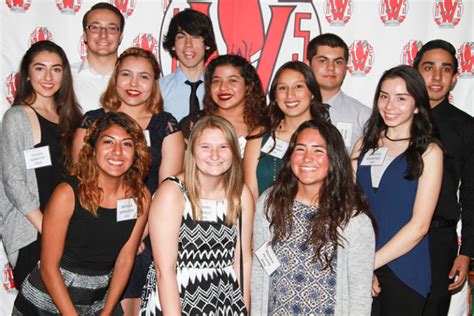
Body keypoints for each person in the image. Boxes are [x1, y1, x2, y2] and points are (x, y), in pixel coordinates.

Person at [73, 47, 184, 315]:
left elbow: (166, 191)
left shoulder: (166, 126)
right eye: (126, 75)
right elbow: (80, 182)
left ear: (155, 83)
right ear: (115, 79)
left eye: (143, 77)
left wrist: (136, 237)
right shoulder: (92, 121)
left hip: (146, 234)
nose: (134, 84)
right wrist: (107, 235)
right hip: (94, 232)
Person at [12, 112, 151, 315]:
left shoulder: (141, 197)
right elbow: (49, 268)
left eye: (127, 144)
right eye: (108, 142)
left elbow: (125, 259)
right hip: (48, 299)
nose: (117, 151)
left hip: (99, 299)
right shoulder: (67, 194)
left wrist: (107, 311)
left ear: (136, 152)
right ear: (93, 149)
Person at [252, 119, 375, 315]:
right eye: (300, 149)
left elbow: (360, 295)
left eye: (318, 150)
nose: (307, 158)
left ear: (333, 158)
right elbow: (260, 269)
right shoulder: (269, 204)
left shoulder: (353, 219)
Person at [351, 65, 443, 315]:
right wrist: (358, 263)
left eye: (401, 98)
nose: (390, 105)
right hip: (359, 260)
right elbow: (347, 207)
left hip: (405, 268)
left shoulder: (429, 152)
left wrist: (370, 263)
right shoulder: (363, 145)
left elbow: (419, 226)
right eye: (384, 96)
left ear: (417, 105)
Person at [140, 116, 254, 315]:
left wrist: (243, 310)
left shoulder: (240, 194)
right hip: (175, 298)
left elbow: (242, 261)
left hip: (224, 298)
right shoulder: (172, 193)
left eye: (223, 147)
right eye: (205, 147)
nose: (215, 155)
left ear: (234, 151)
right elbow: (164, 271)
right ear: (192, 150)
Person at [1, 40, 82, 289]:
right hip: (33, 233)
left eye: (56, 69)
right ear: (27, 74)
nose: (48, 77)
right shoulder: (16, 117)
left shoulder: (72, 117)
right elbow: (13, 181)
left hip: (71, 232)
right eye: (40, 68)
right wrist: (48, 229)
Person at [413, 39, 474, 315]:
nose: (437, 77)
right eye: (428, 68)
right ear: (416, 72)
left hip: (439, 240)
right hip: (392, 236)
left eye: (445, 69)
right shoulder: (394, 117)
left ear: (455, 77)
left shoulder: (466, 127)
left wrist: (466, 252)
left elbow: (472, 194)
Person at [243, 61, 329, 201]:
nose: (290, 95)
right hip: (264, 220)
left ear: (312, 93)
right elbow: (250, 193)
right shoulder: (258, 137)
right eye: (282, 88)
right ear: (275, 96)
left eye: (298, 86)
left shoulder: (327, 136)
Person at [181, 54, 267, 156]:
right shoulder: (193, 124)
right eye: (216, 81)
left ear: (248, 87)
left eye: (232, 81)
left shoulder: (266, 125)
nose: (223, 88)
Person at [307, 33, 371, 153]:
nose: (330, 67)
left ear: (346, 68)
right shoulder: (294, 110)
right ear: (308, 64)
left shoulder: (363, 116)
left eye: (338, 62)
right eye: (323, 61)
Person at [160, 8, 217, 122]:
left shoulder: (219, 88)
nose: (188, 44)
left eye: (196, 37)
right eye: (181, 36)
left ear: (207, 44)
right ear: (173, 45)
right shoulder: (158, 90)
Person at [71, 2, 124, 112]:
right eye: (95, 27)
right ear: (85, 35)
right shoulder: (66, 77)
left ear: (120, 37)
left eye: (112, 28)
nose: (103, 34)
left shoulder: (135, 81)